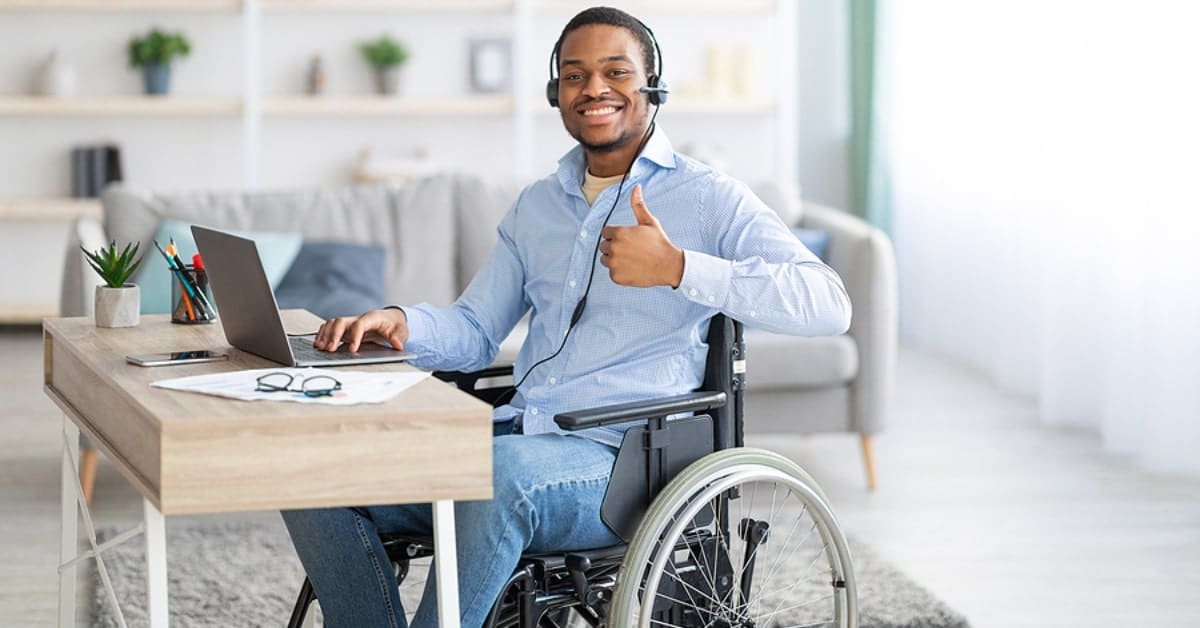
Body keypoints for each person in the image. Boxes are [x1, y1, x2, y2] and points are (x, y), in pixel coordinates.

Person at [281, 6, 852, 627]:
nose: (595, 89)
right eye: (575, 75)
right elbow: (475, 330)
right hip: (522, 437)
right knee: (314, 474)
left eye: (616, 72)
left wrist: (679, 267)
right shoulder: (537, 205)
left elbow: (828, 304)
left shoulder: (710, 198)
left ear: (652, 86)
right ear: (557, 93)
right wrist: (401, 323)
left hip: (622, 465)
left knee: (497, 476)